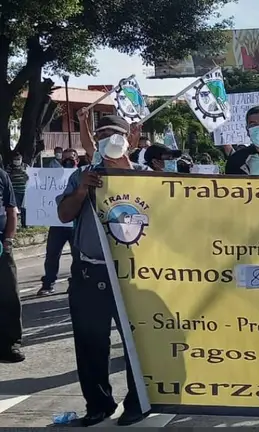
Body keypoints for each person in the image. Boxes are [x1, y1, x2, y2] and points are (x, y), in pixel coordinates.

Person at [56, 115, 150, 426]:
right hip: (89, 273)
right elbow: (65, 214)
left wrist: (126, 173)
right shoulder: (83, 175)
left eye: (115, 135)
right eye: (102, 135)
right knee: (89, 342)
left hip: (132, 274)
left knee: (138, 343)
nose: (109, 140)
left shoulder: (146, 176)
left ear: (129, 140)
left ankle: (138, 401)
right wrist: (82, 189)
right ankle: (98, 404)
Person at [37, 148, 80, 296]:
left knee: (77, 255)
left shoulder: (81, 176)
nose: (68, 161)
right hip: (57, 223)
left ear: (77, 160)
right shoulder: (52, 177)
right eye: (65, 159)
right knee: (52, 254)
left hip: (75, 224)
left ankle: (76, 282)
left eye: (71, 158)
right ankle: (48, 284)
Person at [0, 163, 21, 363]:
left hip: (0, 245)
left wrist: (8, 240)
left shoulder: (2, 176)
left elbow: (11, 210)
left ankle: (10, 344)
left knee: (8, 295)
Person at [7, 152, 28, 228]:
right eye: (15, 160)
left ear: (21, 159)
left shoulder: (25, 166)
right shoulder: (10, 167)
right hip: (14, 191)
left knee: (24, 209)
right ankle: (13, 225)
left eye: (18, 159)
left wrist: (23, 172)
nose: (16, 161)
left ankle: (24, 224)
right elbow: (7, 177)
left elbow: (30, 176)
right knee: (14, 209)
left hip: (24, 191)